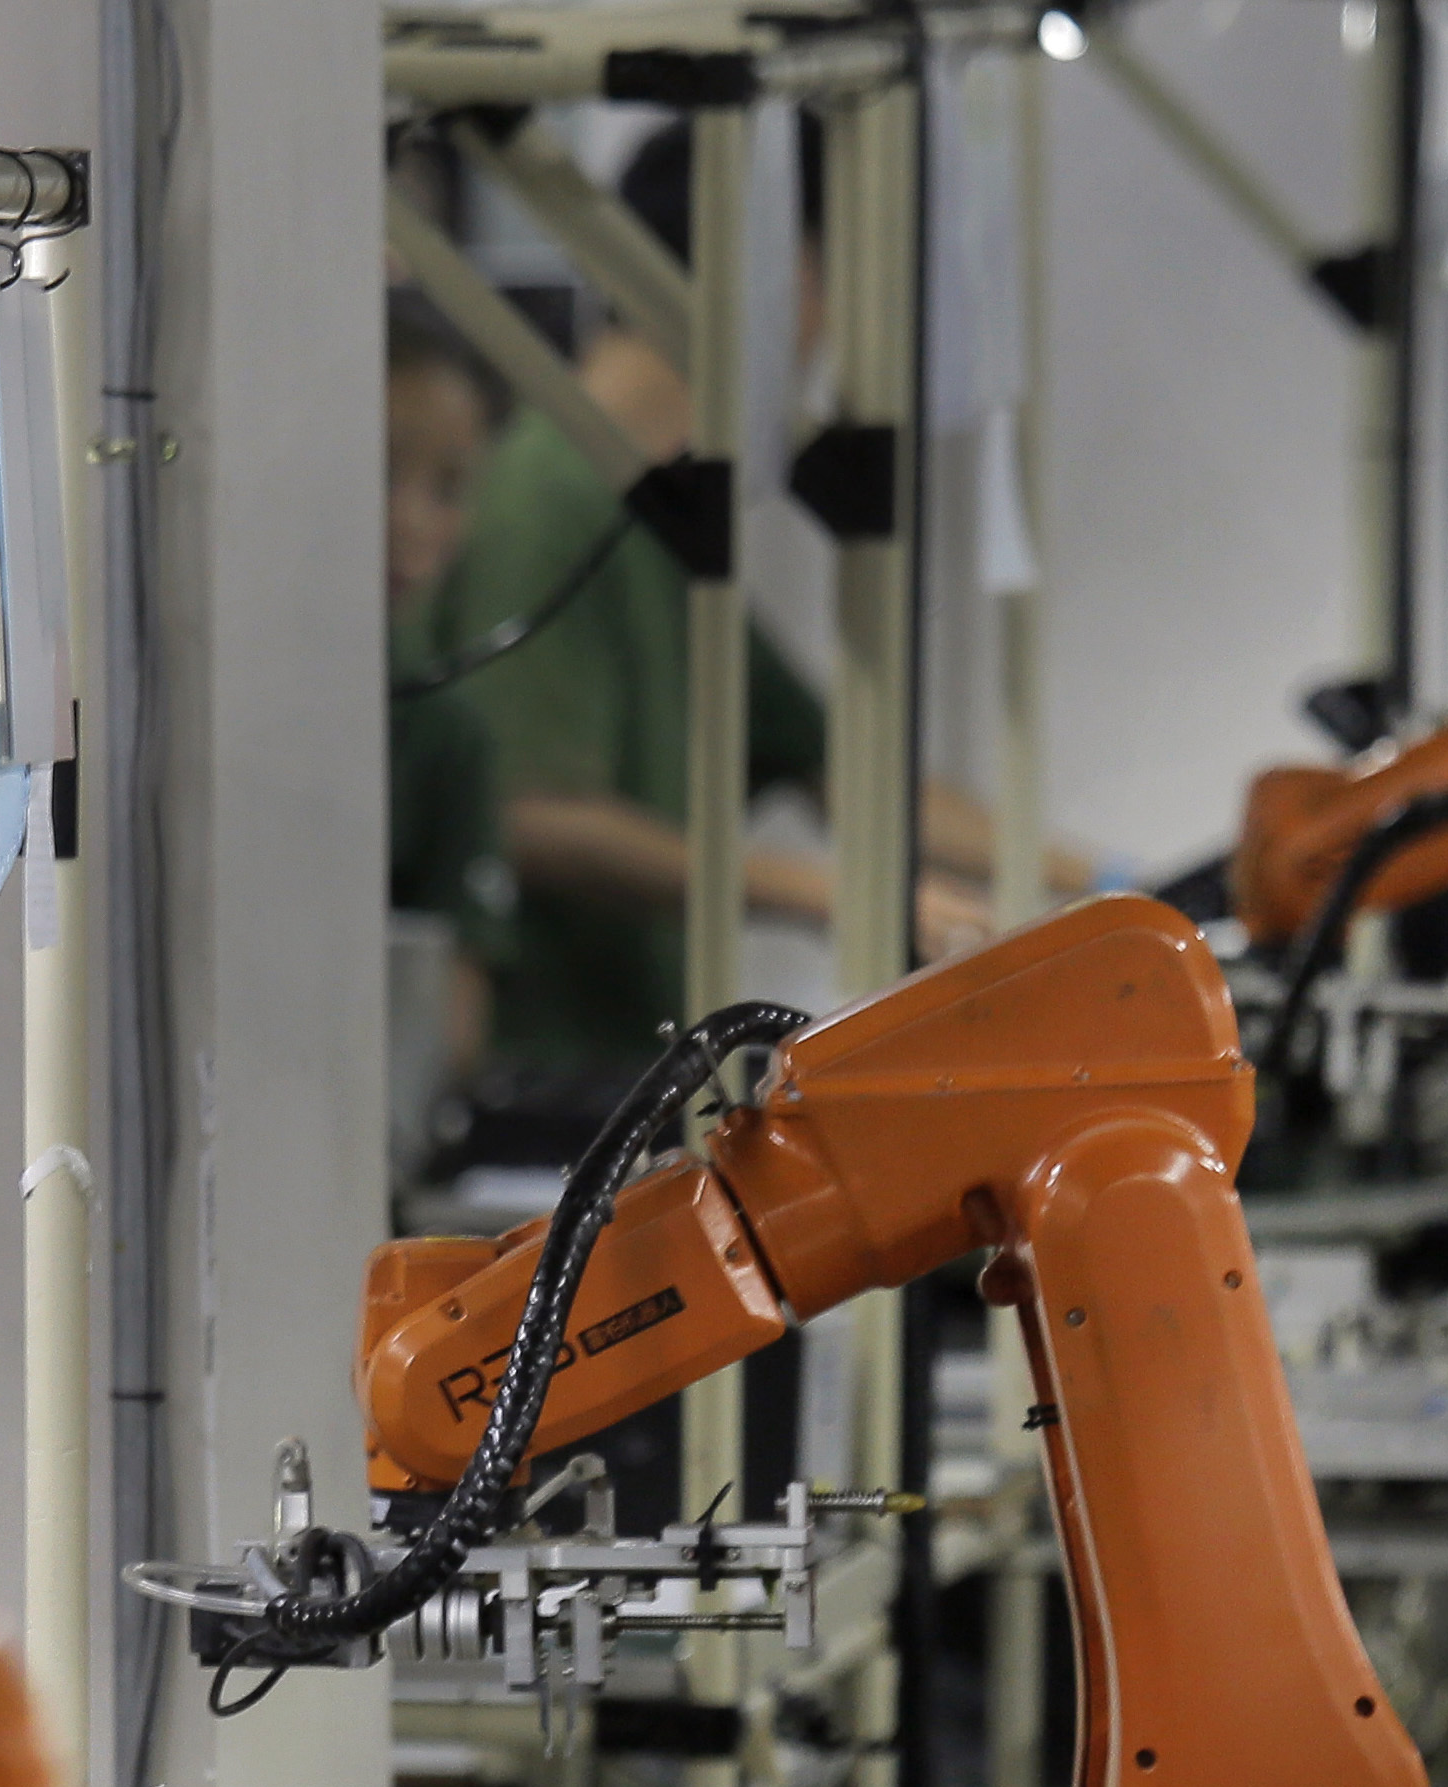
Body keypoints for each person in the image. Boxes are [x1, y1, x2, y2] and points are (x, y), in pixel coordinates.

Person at [417, 118, 1061, 1110]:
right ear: (785, 277)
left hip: (633, 1076)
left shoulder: (653, 518)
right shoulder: (543, 500)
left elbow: (844, 770)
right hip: (542, 1086)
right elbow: (533, 814)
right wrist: (835, 893)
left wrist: (1078, 877)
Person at [387, 296, 518, 1079]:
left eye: (446, 489)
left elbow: (449, 1033)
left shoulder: (443, 734)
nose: (410, 522)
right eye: (373, 470)